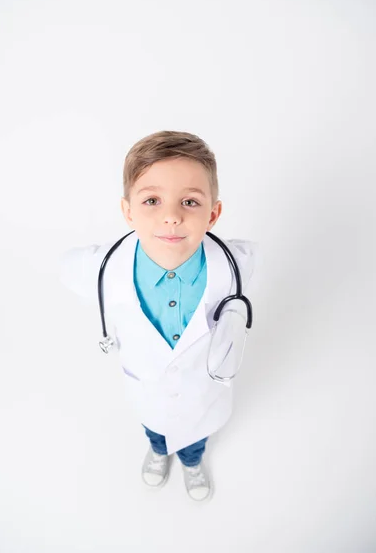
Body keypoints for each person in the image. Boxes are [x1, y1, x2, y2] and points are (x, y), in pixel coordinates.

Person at [60, 130, 257, 502]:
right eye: (152, 200)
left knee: (196, 438)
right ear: (127, 211)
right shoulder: (103, 268)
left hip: (204, 393)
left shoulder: (237, 264)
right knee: (154, 429)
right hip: (146, 389)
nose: (171, 217)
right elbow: (66, 268)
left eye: (190, 202)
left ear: (213, 214)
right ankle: (158, 451)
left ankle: (192, 461)